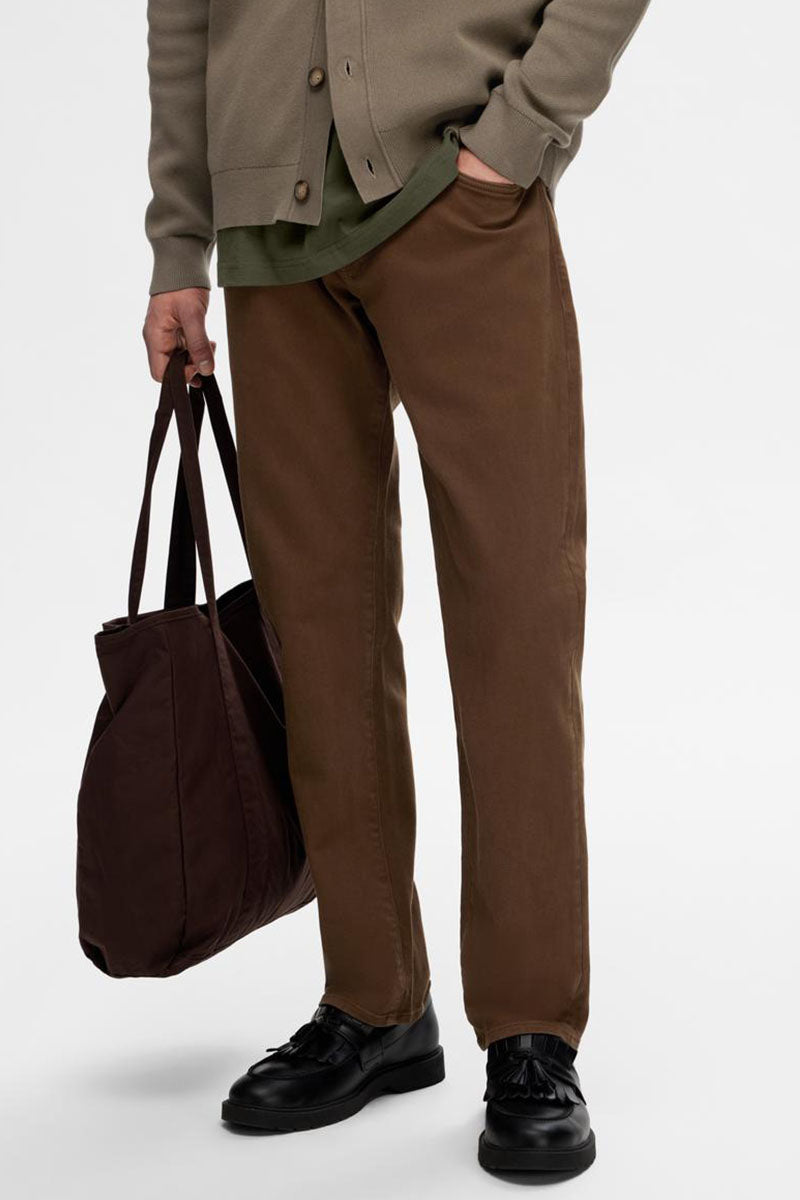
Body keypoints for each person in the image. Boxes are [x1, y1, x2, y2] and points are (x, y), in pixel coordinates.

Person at [142, 0, 650, 1174]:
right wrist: (179, 244)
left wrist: (515, 137)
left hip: (460, 203)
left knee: (514, 625)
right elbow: (180, 16)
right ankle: (373, 1006)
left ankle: (529, 1031)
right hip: (270, 235)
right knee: (320, 639)